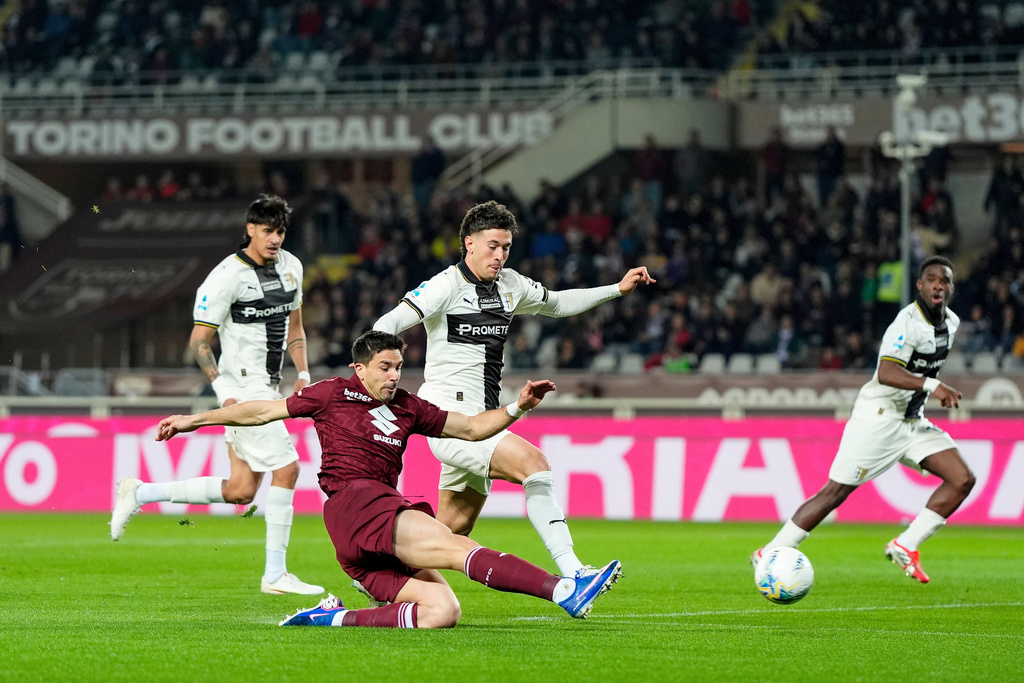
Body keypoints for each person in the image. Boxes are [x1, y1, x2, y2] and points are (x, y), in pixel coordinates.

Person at [155, 331, 623, 628]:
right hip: (358, 503)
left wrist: (519, 406)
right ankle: (565, 589)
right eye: (385, 366)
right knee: (456, 546)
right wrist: (193, 419)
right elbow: (261, 409)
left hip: (362, 529)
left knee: (442, 612)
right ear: (360, 368)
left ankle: (332, 618)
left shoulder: (409, 407)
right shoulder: (331, 393)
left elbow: (473, 428)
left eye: (399, 366)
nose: (394, 374)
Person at [373, 200, 654, 582]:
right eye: (492, 245)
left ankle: (378, 576)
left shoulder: (511, 285)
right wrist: (378, 367)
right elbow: (391, 321)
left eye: (506, 247)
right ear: (469, 243)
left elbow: (557, 303)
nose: (500, 255)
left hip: (484, 418)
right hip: (450, 418)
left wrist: (617, 289)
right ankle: (574, 573)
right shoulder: (445, 285)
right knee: (534, 465)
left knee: (451, 530)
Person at [109, 194, 323, 596]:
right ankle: (275, 575)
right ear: (250, 230)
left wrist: (304, 372)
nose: (274, 238)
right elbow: (199, 341)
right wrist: (224, 392)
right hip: (242, 387)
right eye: (267, 231)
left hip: (270, 384)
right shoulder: (226, 277)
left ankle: (140, 492)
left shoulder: (292, 268)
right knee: (289, 469)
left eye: (280, 231)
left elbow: (296, 328)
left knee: (240, 490)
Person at [750, 256, 973, 584]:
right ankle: (770, 551)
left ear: (951, 287)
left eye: (945, 280)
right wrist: (932, 385)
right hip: (879, 418)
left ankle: (905, 544)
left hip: (911, 421)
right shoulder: (905, 323)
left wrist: (926, 392)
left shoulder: (951, 323)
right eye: (932, 279)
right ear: (920, 285)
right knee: (835, 492)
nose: (938, 284)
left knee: (962, 479)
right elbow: (886, 372)